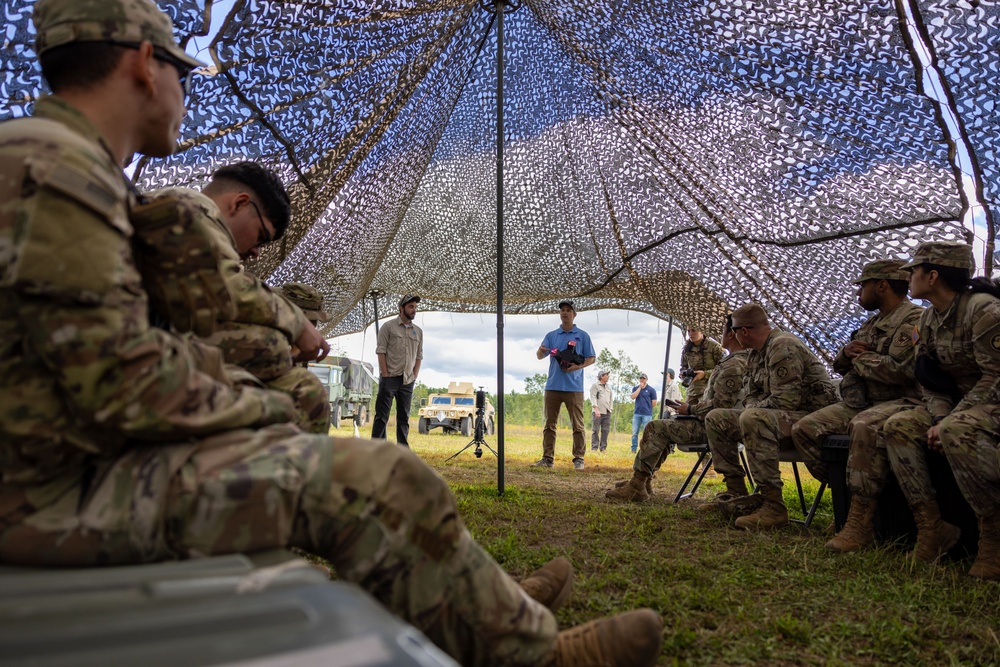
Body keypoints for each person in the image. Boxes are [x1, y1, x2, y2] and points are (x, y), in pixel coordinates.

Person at [0, 2, 664, 664]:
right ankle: (527, 651)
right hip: (50, 494)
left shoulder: (64, 166)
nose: (183, 91)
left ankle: (486, 608)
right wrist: (267, 408)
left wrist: (235, 388)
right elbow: (125, 383)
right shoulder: (57, 171)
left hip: (67, 469)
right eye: (184, 72)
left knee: (370, 472)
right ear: (146, 65)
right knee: (375, 479)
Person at [153, 164, 331, 434]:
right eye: (261, 236)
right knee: (291, 376)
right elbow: (225, 284)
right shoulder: (189, 206)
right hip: (143, 365)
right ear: (239, 203)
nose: (257, 252)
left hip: (159, 355)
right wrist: (296, 322)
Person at [883, 242, 1000, 577]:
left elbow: (996, 375)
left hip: (992, 400)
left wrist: (950, 419)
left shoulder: (984, 311)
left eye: (913, 270)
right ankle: (933, 527)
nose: (908, 277)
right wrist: (938, 417)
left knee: (955, 430)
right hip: (962, 407)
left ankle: (993, 537)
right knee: (898, 426)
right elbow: (929, 380)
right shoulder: (929, 319)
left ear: (932, 275)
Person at [789, 260, 923, 552]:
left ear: (882, 285)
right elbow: (840, 364)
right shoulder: (871, 324)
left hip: (902, 402)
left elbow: (902, 371)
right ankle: (848, 502)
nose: (859, 292)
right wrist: (847, 352)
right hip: (863, 401)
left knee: (862, 427)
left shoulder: (914, 319)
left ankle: (861, 523)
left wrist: (860, 359)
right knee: (804, 429)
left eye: (863, 285)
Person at [703, 304, 837, 529]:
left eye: (734, 331)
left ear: (744, 331)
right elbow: (750, 396)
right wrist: (753, 407)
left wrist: (753, 408)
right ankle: (736, 493)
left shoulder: (782, 346)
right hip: (783, 415)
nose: (733, 336)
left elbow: (786, 401)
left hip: (812, 418)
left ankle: (773, 506)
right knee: (717, 418)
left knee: (753, 417)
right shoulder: (756, 354)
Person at [607, 315, 749, 502]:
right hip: (710, 419)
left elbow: (721, 407)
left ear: (731, 334)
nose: (691, 334)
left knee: (656, 427)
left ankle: (637, 483)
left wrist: (690, 410)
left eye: (722, 330)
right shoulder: (740, 360)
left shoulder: (732, 363)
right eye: (688, 331)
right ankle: (642, 480)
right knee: (667, 424)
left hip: (715, 428)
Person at [533, 301, 596, 470]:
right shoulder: (552, 335)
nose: (565, 313)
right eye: (562, 310)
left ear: (574, 314)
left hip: (574, 388)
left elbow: (591, 358)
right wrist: (540, 350)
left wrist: (577, 366)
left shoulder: (582, 336)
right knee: (549, 424)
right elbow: (540, 356)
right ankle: (547, 458)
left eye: (568, 310)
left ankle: (579, 458)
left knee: (578, 425)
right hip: (553, 385)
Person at [371, 295, 423, 447]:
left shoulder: (418, 332)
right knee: (382, 417)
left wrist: (414, 375)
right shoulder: (388, 327)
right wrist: (385, 375)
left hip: (407, 380)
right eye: (411, 307)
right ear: (401, 308)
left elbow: (419, 355)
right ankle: (377, 450)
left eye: (415, 307)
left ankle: (403, 451)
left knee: (404, 418)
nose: (414, 310)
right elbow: (381, 352)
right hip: (390, 378)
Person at [679, 327, 724, 406]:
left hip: (710, 389)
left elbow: (723, 369)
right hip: (693, 391)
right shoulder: (687, 349)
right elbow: (683, 366)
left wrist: (705, 374)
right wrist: (683, 373)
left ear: (702, 331)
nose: (690, 334)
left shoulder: (715, 347)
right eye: (688, 331)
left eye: (693, 330)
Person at [630, 373, 658, 453]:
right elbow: (632, 397)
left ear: (646, 380)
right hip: (637, 414)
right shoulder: (635, 388)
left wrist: (647, 408)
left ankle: (645, 449)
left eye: (644, 379)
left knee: (647, 433)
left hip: (647, 415)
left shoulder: (651, 390)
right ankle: (633, 449)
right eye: (641, 378)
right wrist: (639, 388)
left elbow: (654, 403)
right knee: (634, 433)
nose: (642, 380)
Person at [590, 370, 613, 452]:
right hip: (598, 412)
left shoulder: (608, 387)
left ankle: (603, 448)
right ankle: (594, 448)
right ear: (602, 376)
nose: (608, 376)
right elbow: (593, 397)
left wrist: (611, 409)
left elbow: (610, 398)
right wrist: (596, 409)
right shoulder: (595, 386)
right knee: (595, 430)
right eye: (606, 375)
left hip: (607, 412)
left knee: (605, 431)